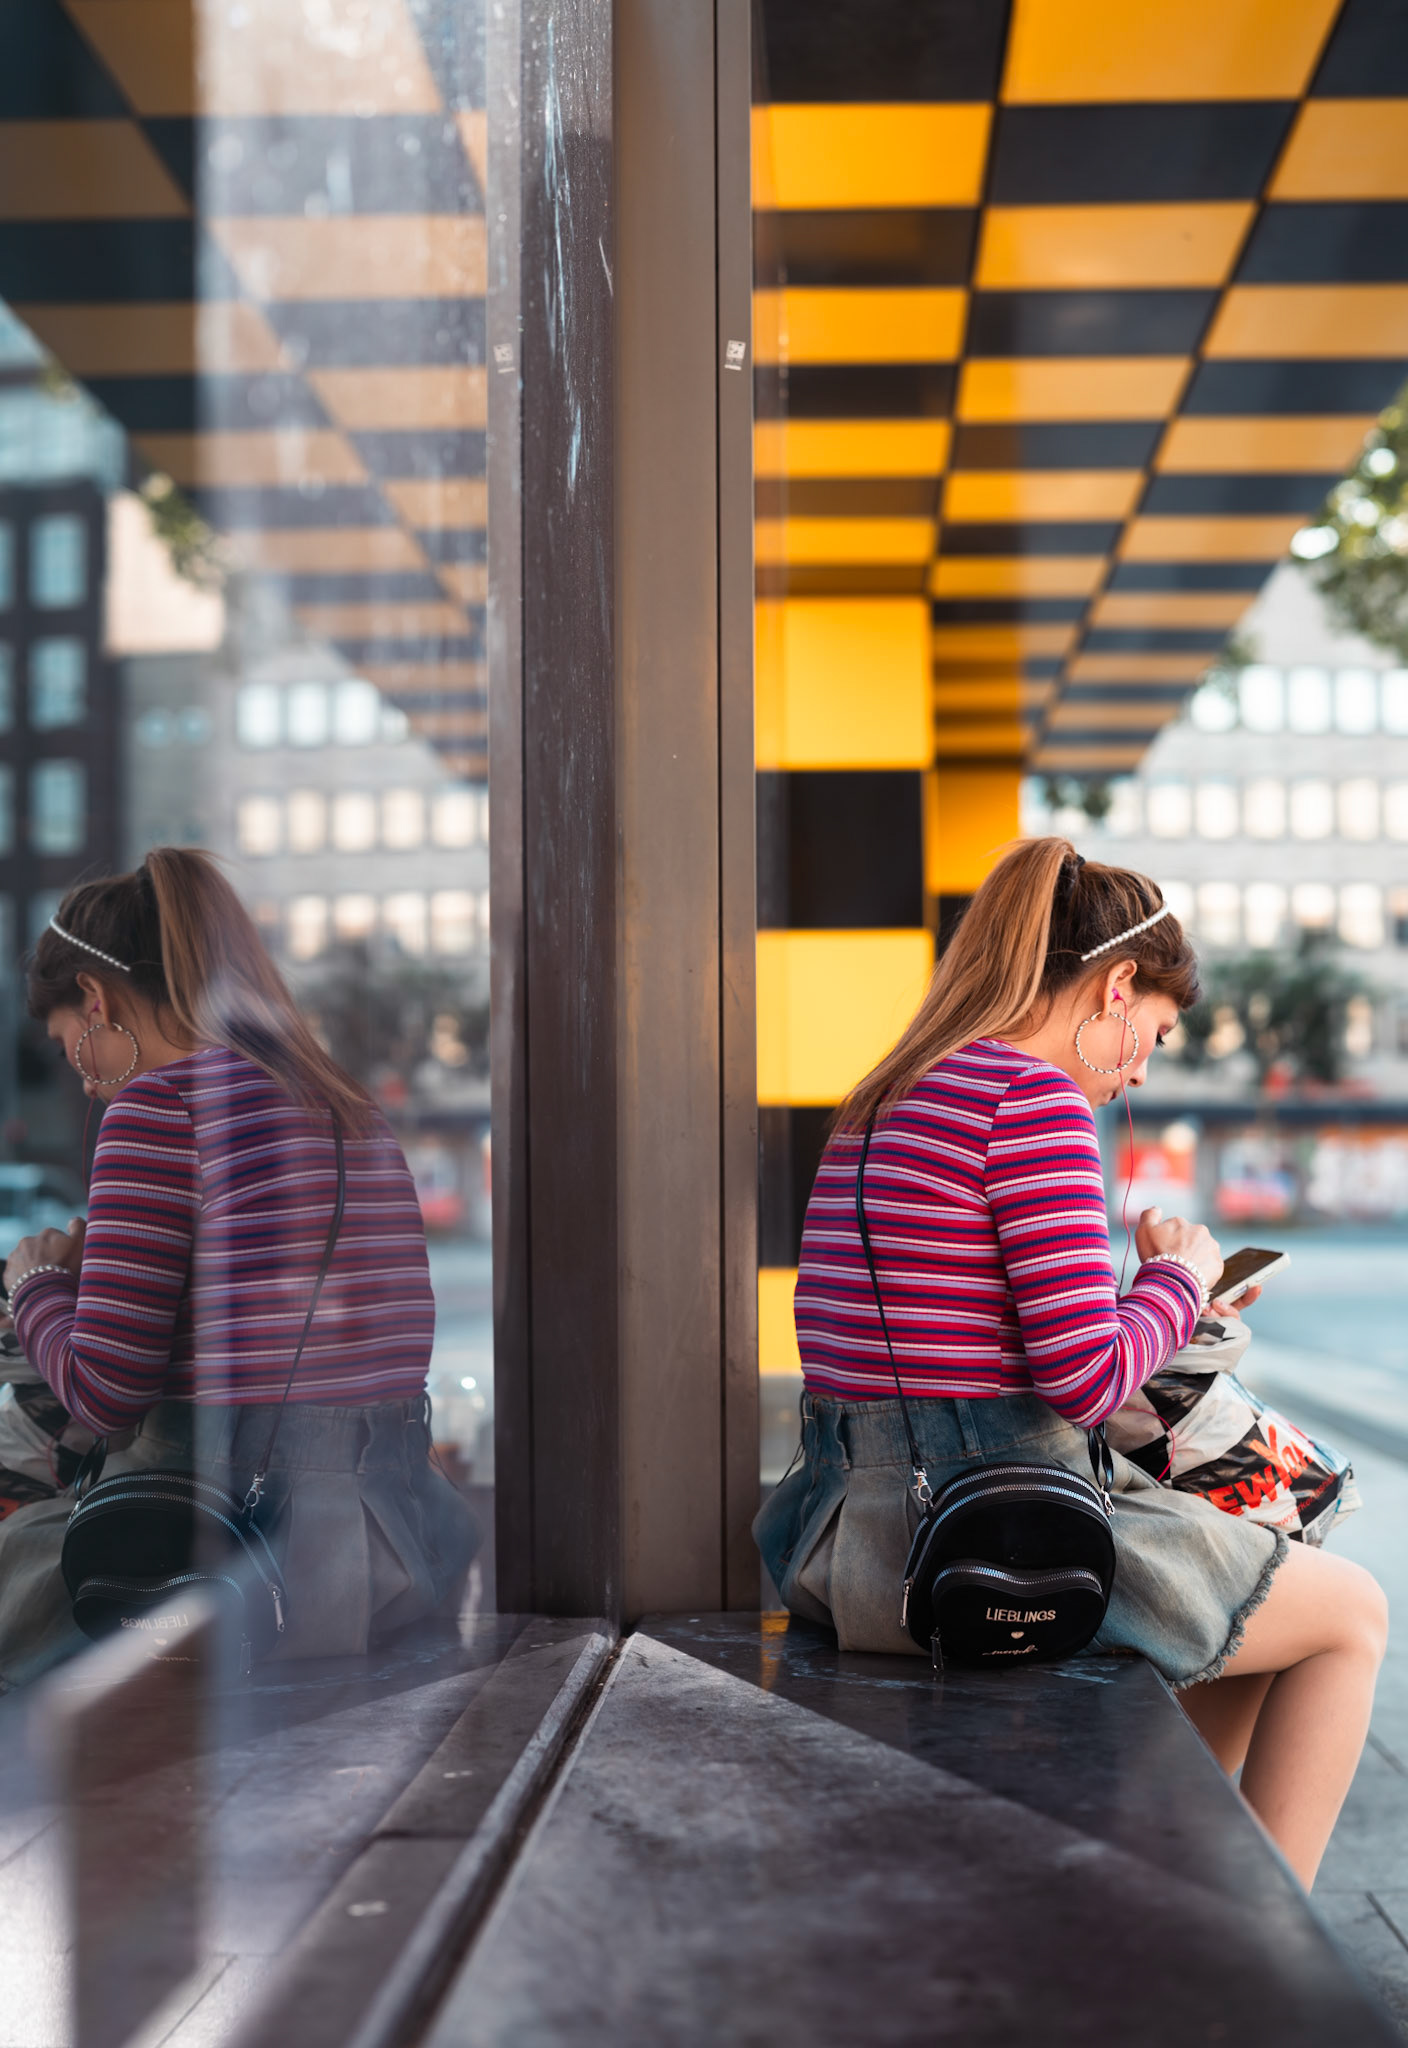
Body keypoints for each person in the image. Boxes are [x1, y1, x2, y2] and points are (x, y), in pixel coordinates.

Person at [755, 838, 1387, 1890]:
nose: (1139, 1067)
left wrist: (1161, 1301)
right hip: (974, 1536)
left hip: (838, 1540)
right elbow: (1087, 1383)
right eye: (1154, 1034)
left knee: (1246, 1602)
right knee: (1349, 1612)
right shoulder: (1030, 1101)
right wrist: (1179, 1277)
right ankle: (1268, 1947)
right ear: (1116, 986)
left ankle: (1179, 1879)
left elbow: (953, 1331)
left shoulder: (883, 1100)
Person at [0, 848, 477, 1684]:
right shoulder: (347, 1106)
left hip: (227, 1559)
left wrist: (35, 1281)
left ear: (96, 1000)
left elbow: (104, 1389)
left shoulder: (160, 1108)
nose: (85, 1084)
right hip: (391, 1553)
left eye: (70, 1044)